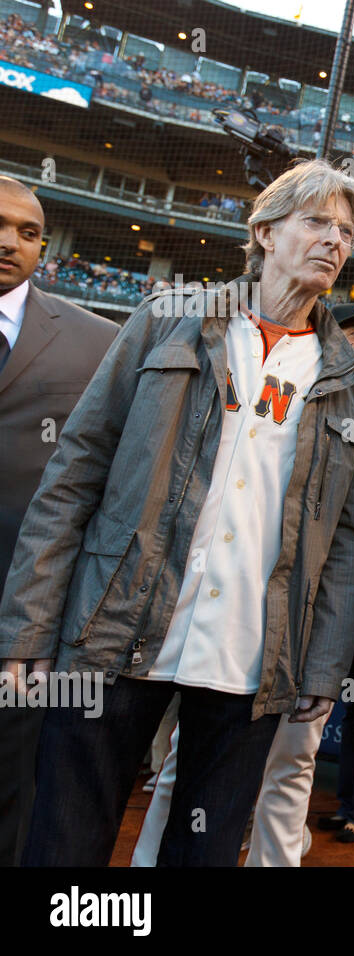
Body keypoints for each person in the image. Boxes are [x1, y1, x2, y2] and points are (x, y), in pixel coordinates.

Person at [0, 158, 354, 866]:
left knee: (201, 855)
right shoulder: (166, 321)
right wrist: (28, 626)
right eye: (318, 221)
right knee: (65, 845)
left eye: (348, 231)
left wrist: (324, 666)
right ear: (265, 231)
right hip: (115, 630)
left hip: (250, 656)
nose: (336, 240)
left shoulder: (350, 377)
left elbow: (351, 540)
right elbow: (75, 471)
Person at [130, 303, 354, 866]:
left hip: (320, 627)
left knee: (291, 770)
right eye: (353, 336)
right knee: (188, 760)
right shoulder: (283, 395)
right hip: (245, 616)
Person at [0, 177, 119, 867]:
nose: (9, 240)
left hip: (23, 618)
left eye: (28, 230)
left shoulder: (95, 341)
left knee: (13, 795)